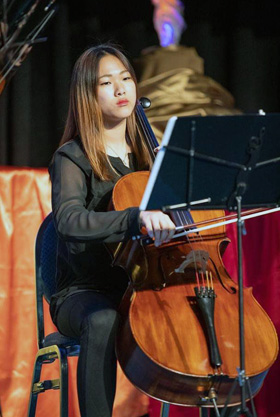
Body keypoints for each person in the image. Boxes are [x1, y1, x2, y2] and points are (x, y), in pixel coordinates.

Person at [48, 44, 176, 417]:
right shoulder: (72, 157)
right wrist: (134, 218)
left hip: (141, 285)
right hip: (84, 291)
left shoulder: (150, 155)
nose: (121, 90)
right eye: (107, 83)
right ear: (88, 94)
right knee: (102, 318)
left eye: (126, 79)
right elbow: (69, 221)